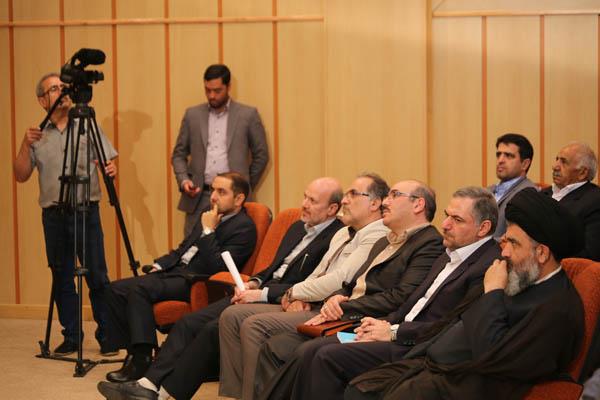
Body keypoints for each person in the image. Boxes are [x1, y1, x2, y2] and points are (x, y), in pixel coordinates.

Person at [94, 173, 387, 400]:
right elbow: (274, 267)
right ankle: (149, 385)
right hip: (267, 291)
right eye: (304, 197)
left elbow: (320, 280)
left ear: (331, 208)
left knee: (213, 327)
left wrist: (277, 293)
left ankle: (161, 390)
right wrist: (255, 281)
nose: (304, 205)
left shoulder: (337, 232)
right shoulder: (299, 227)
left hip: (287, 298)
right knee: (190, 322)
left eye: (312, 201)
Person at [258, 186, 501, 400]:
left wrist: (392, 331)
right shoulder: (449, 253)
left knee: (324, 355)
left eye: (457, 219)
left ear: (483, 228)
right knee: (312, 350)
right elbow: (409, 303)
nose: (445, 224)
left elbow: (450, 325)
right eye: (447, 215)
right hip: (390, 328)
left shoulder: (486, 265)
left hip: (417, 346)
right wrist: (380, 324)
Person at [346, 187, 585, 400]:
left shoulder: (556, 310)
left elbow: (494, 357)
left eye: (514, 244)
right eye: (505, 242)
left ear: (542, 253)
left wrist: (493, 293)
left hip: (466, 383)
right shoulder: (521, 277)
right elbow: (453, 321)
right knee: (359, 387)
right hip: (431, 364)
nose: (504, 253)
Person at [227, 180, 447, 400]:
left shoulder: (429, 243)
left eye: (394, 195)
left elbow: (400, 296)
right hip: (344, 315)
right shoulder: (385, 241)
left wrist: (342, 306)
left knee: (308, 351)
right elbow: (350, 283)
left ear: (418, 204)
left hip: (366, 321)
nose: (386, 202)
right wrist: (335, 298)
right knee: (276, 346)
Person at [102, 172, 257, 383]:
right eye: (212, 190)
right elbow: (184, 249)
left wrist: (208, 231)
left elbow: (219, 267)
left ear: (239, 199)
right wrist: (159, 265)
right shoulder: (208, 214)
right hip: (175, 271)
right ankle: (133, 349)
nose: (213, 197)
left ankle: (142, 359)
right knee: (113, 289)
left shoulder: (244, 227)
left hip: (197, 281)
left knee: (139, 289)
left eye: (222, 192)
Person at [12, 72, 118, 356]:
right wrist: (24, 144)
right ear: (42, 100)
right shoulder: (36, 135)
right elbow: (20, 175)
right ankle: (72, 336)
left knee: (97, 275)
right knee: (62, 276)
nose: (62, 92)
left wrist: (110, 169)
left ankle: (108, 334)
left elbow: (107, 162)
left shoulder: (87, 125)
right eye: (54, 89)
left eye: (63, 87)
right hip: (54, 215)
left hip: (86, 210)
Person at [172, 64, 269, 237]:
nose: (212, 95)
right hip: (199, 196)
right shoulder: (192, 115)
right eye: (207, 90)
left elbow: (261, 155)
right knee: (191, 247)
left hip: (233, 200)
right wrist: (184, 180)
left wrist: (242, 186)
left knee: (231, 243)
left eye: (217, 91)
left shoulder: (248, 115)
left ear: (228, 86)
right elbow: (178, 154)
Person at [541, 141, 600, 261]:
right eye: (557, 159)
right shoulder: (542, 194)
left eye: (564, 162)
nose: (555, 166)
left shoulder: (595, 201)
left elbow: (590, 254)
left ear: (582, 173)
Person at [488, 133, 535, 238]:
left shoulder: (529, 194)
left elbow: (517, 239)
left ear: (525, 164)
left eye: (508, 156)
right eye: (498, 155)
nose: (500, 160)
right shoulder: (487, 191)